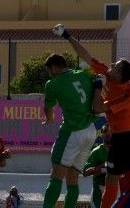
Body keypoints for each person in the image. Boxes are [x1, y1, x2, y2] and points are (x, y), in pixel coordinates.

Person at [52, 24, 130, 208]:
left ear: (120, 75)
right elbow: (86, 55)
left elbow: (97, 109)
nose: (111, 65)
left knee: (116, 180)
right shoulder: (109, 75)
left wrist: (97, 86)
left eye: (115, 66)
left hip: (123, 139)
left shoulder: (125, 93)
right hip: (127, 137)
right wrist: (67, 35)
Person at [41, 53, 100, 208]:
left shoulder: (52, 83)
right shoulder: (82, 74)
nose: (49, 74)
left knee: (56, 175)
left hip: (72, 131)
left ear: (53, 67)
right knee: (73, 179)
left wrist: (49, 118)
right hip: (91, 130)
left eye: (49, 70)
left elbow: (48, 107)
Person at [83, 125, 111, 208]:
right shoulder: (96, 152)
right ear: (101, 134)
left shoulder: (119, 150)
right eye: (105, 131)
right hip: (98, 192)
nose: (108, 133)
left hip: (115, 189)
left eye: (111, 131)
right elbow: (85, 172)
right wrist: (104, 166)